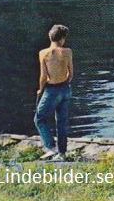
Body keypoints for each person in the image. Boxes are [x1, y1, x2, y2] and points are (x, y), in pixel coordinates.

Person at [35, 24, 72, 160]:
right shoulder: (68, 51)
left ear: (50, 37)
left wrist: (40, 90)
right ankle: (62, 153)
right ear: (62, 38)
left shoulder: (43, 53)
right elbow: (70, 74)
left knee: (39, 118)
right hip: (65, 88)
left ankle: (51, 147)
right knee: (61, 122)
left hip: (52, 89)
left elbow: (43, 76)